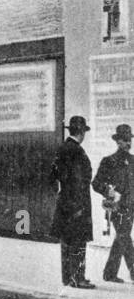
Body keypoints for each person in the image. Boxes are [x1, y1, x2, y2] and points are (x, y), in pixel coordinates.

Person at [50, 114, 95, 289]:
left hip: (64, 204)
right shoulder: (76, 151)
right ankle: (78, 278)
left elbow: (52, 176)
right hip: (77, 205)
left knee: (66, 241)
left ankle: (67, 278)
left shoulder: (62, 148)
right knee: (78, 240)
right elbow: (78, 180)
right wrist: (77, 206)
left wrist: (62, 196)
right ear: (82, 132)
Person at [92, 123, 134, 283]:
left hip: (131, 206)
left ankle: (109, 273)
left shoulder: (133, 161)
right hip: (116, 207)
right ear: (118, 141)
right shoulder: (108, 161)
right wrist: (108, 191)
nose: (128, 143)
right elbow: (96, 183)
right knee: (124, 236)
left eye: (129, 139)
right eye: (124, 140)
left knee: (122, 238)